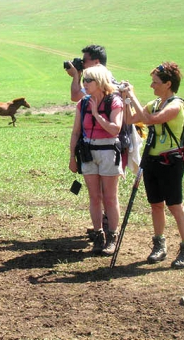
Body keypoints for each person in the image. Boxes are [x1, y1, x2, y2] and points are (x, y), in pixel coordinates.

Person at [122, 61, 184, 269]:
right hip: (152, 161)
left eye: (155, 82)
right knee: (156, 204)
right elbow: (129, 120)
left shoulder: (176, 105)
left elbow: (150, 120)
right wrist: (127, 99)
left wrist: (133, 96)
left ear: (168, 84)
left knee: (174, 205)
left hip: (171, 162)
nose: (152, 86)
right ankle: (159, 246)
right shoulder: (154, 103)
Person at [69, 64, 124, 256]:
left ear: (100, 82)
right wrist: (72, 158)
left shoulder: (114, 101)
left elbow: (115, 129)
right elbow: (76, 132)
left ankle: (112, 236)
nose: (84, 83)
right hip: (88, 153)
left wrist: (96, 115)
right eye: (84, 79)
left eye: (88, 80)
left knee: (110, 197)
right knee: (94, 197)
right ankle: (98, 235)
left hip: (108, 151)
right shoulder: (82, 103)